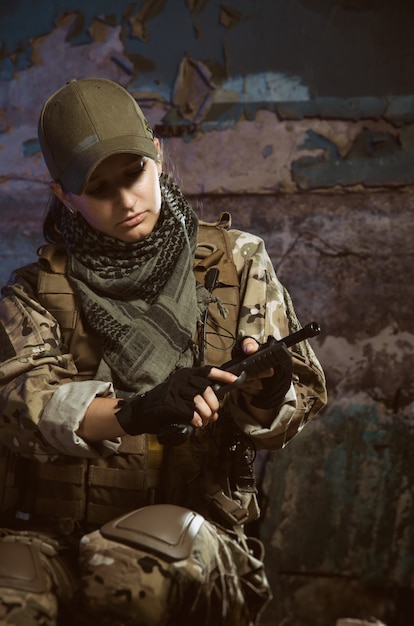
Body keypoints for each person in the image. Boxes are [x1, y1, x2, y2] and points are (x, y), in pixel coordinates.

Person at [0, 77, 327, 626]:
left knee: (131, 576)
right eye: (98, 187)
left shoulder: (237, 262)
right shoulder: (33, 291)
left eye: (134, 174)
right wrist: (135, 411)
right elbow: (21, 405)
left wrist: (269, 394)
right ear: (63, 194)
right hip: (50, 533)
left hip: (193, 530)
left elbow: (290, 412)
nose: (125, 201)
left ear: (157, 153)